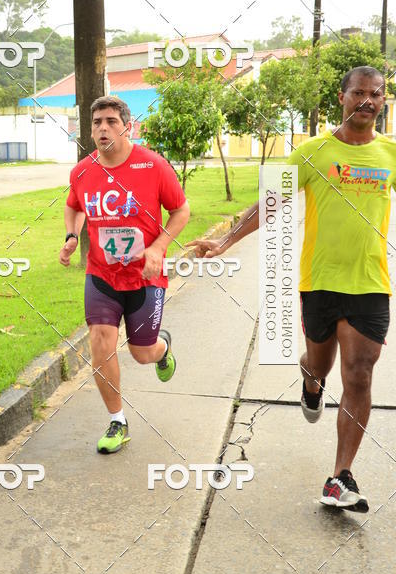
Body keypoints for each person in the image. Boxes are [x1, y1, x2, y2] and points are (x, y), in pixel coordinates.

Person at [187, 66, 396, 513]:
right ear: (342, 98)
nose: (367, 101)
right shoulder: (313, 152)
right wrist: (224, 241)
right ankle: (310, 378)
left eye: (375, 94)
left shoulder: (390, 154)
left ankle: (340, 478)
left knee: (358, 374)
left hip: (371, 285)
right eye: (358, 93)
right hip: (319, 283)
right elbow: (270, 200)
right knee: (320, 363)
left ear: (383, 101)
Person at [60, 95, 190, 453]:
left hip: (145, 276)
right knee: (100, 340)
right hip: (102, 274)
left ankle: (161, 349)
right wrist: (72, 236)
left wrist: (158, 247)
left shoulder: (152, 165)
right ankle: (117, 420)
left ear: (126, 125)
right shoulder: (82, 171)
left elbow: (181, 211)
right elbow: (73, 207)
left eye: (111, 121)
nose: (103, 128)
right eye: (97, 122)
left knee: (141, 353)